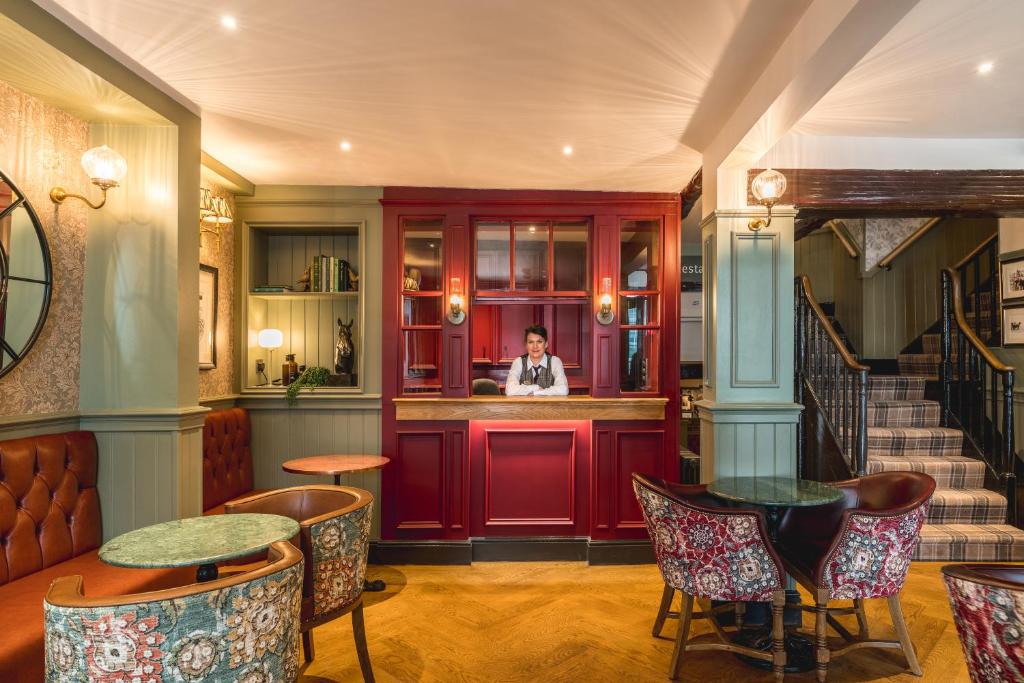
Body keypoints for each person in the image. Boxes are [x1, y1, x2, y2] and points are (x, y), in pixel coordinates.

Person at [505, 325, 569, 396]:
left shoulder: (554, 361)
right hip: (524, 407)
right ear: (526, 345)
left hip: (549, 407)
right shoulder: (518, 362)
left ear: (546, 344)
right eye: (531, 342)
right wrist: (535, 388)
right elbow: (509, 390)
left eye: (539, 342)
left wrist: (537, 392)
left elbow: (564, 389)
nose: (535, 346)